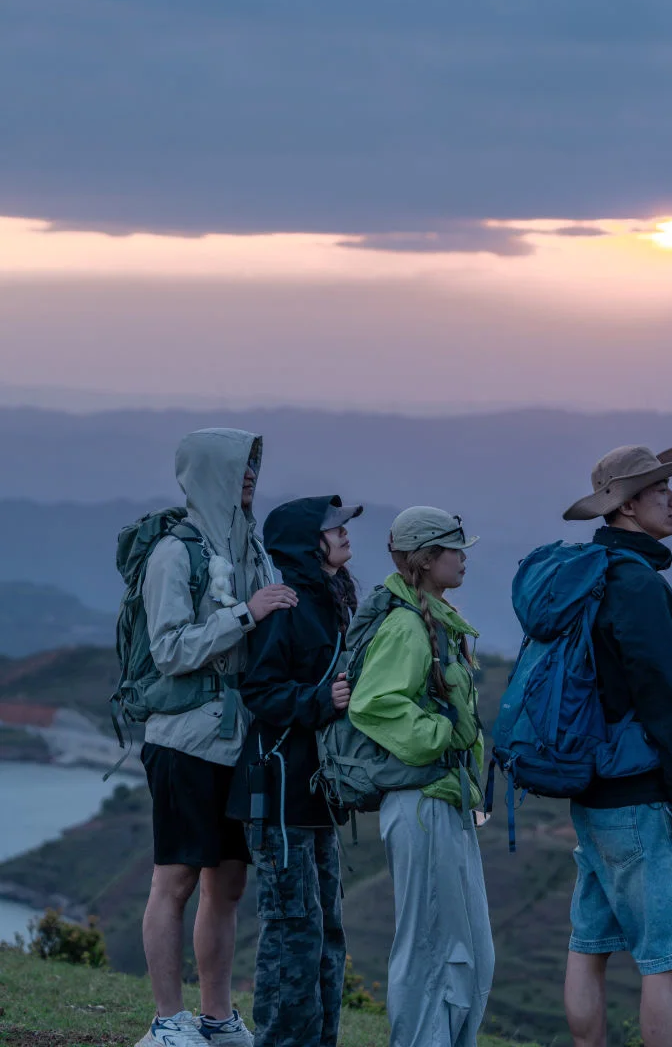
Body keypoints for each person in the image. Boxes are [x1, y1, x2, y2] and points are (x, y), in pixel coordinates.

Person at [137, 428, 298, 1047]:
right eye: (239, 467)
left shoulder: (248, 548)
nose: (250, 476)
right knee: (173, 880)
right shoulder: (174, 555)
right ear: (210, 473)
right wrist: (245, 613)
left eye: (255, 465)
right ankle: (166, 1020)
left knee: (227, 884)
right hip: (184, 741)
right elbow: (169, 649)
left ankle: (215, 1016)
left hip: (240, 744)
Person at [561, 445, 672, 1047]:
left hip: (590, 792)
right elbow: (666, 702)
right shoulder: (638, 585)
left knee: (589, 946)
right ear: (628, 506)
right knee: (666, 964)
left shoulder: (585, 573)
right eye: (661, 491)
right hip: (638, 798)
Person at [348, 506, 494, 1047]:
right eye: (455, 548)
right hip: (422, 802)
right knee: (434, 946)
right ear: (427, 558)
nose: (464, 557)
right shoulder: (407, 626)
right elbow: (374, 703)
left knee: (462, 947)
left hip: (442, 799)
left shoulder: (432, 618)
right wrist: (443, 735)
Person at [227, 494, 363, 1047]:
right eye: (335, 528)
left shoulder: (333, 600)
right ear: (310, 543)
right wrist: (319, 700)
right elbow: (259, 689)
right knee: (292, 930)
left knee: (327, 930)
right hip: (279, 791)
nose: (344, 534)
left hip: (316, 792)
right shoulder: (286, 604)